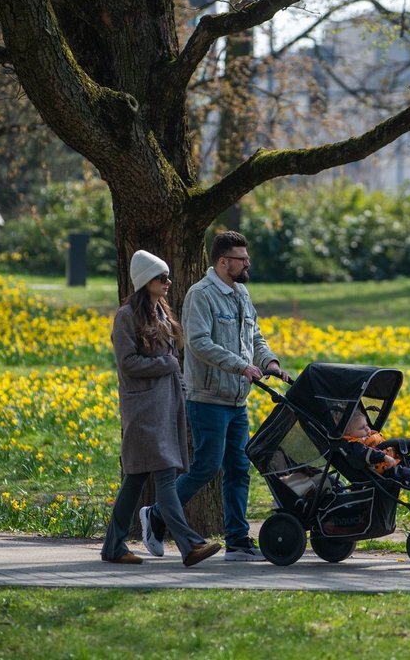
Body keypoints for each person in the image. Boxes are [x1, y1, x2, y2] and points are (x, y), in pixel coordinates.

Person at [141, 231, 288, 562]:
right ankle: (156, 514)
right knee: (206, 467)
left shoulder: (241, 293)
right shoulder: (201, 295)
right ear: (224, 262)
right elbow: (198, 342)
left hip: (237, 401)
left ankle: (237, 540)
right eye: (241, 258)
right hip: (207, 398)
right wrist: (241, 367)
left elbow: (255, 335)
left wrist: (270, 362)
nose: (247, 262)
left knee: (238, 468)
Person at [101, 250, 221, 567]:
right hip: (143, 410)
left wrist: (183, 392)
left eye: (167, 277)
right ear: (145, 281)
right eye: (161, 278)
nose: (168, 282)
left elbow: (174, 366)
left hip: (166, 406)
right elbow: (127, 363)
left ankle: (112, 545)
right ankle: (190, 545)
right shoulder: (127, 316)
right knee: (166, 476)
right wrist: (165, 363)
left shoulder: (162, 313)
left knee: (135, 480)